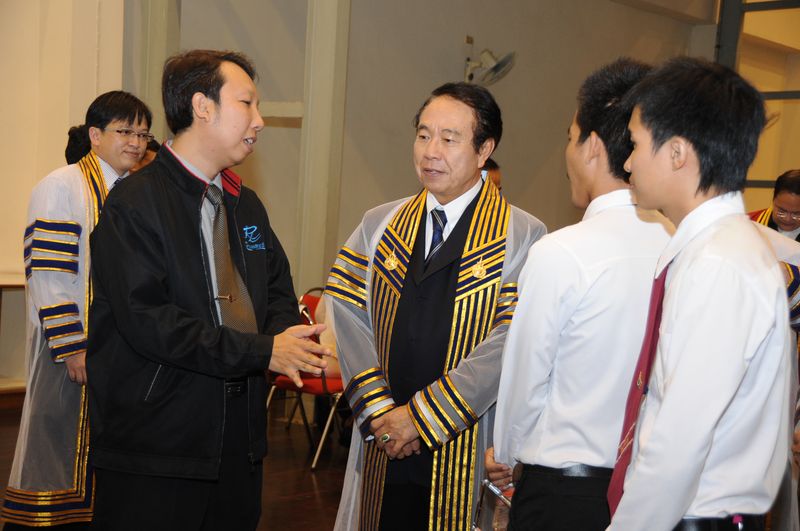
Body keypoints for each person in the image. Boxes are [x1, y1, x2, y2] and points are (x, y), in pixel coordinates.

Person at [85, 50, 331, 531]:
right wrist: (263, 350)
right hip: (159, 443)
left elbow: (276, 289)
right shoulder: (135, 203)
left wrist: (287, 339)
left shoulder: (245, 204)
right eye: (247, 103)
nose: (259, 121)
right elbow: (150, 322)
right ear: (202, 106)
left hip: (239, 437)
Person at [325, 81, 546, 530]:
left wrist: (420, 418)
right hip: (385, 439)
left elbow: (509, 340)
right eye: (423, 135)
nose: (431, 152)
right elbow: (348, 314)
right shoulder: (380, 224)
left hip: (465, 441)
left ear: (484, 150)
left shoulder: (521, 235)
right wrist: (381, 413)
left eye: (449, 139)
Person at [485, 58, 672, 531]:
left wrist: (506, 452)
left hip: (564, 492)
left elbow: (526, 376)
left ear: (591, 146)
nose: (567, 152)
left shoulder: (561, 252)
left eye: (570, 138)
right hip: (650, 490)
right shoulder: (678, 242)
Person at [607, 56, 793, 531]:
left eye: (635, 143)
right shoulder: (714, 248)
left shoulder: (719, 263)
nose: (626, 162)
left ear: (677, 153)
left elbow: (680, 435)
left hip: (695, 517)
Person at [1, 91, 152, 529]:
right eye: (125, 131)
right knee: (59, 446)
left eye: (143, 134)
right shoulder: (62, 185)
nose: (136, 142)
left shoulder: (132, 190)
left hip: (119, 347)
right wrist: (71, 346)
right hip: (73, 346)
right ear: (95, 135)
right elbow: (49, 274)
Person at [750, 170, 800, 242]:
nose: (787, 219)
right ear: (773, 200)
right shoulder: (748, 223)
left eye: (797, 213)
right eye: (781, 210)